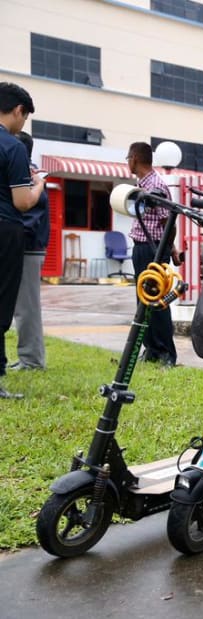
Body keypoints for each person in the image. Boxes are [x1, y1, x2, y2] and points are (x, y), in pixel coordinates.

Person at [0, 82, 44, 399]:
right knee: (3, 304)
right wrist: (39, 186)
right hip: (5, 230)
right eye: (24, 117)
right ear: (18, 111)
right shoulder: (12, 147)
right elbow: (23, 202)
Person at [126, 141, 179, 367]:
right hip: (142, 247)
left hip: (153, 248)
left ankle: (167, 352)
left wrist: (167, 249)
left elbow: (169, 222)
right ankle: (152, 349)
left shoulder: (155, 185)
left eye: (128, 158)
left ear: (135, 159)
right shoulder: (142, 185)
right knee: (143, 301)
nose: (128, 162)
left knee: (156, 300)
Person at [10, 130, 49, 370]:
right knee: (21, 307)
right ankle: (28, 357)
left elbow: (28, 215)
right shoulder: (26, 173)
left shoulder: (29, 175)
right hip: (24, 245)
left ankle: (32, 360)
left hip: (27, 247)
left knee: (27, 308)